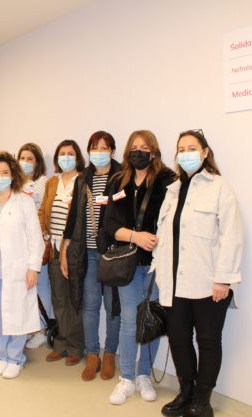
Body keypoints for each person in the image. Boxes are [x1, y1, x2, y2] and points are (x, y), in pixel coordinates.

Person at [153, 130, 243, 417]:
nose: (186, 153)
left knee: (208, 341)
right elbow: (164, 236)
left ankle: (202, 400)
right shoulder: (173, 190)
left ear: (205, 153)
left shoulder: (219, 187)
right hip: (174, 284)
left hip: (209, 283)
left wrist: (223, 279)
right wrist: (159, 273)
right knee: (178, 340)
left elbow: (232, 235)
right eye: (181, 149)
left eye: (192, 148)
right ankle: (186, 392)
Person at [103, 129, 176, 405]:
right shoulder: (118, 181)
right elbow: (109, 224)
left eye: (145, 147)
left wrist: (156, 241)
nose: (139, 152)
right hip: (127, 262)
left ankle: (144, 374)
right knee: (129, 320)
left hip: (157, 263)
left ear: (153, 152)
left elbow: (174, 221)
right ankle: (127, 378)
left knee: (151, 319)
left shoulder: (168, 180)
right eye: (134, 147)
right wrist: (135, 236)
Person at [0, 152, 44, 379]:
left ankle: (16, 358)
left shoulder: (24, 201)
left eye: (5, 172)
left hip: (17, 269)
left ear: (13, 175)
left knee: (17, 313)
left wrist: (33, 268)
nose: (1, 176)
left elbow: (35, 237)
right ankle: (3, 356)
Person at [61, 130, 122, 381]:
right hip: (86, 253)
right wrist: (65, 251)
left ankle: (110, 355)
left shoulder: (121, 177)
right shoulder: (82, 179)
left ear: (112, 151)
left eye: (104, 148)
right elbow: (73, 217)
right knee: (90, 305)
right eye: (94, 148)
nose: (99, 152)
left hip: (113, 253)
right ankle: (93, 355)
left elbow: (123, 210)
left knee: (113, 307)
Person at [38, 140, 85, 365]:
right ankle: (61, 343)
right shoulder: (52, 182)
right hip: (54, 248)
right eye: (62, 154)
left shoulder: (83, 181)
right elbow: (42, 211)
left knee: (74, 299)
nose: (66, 157)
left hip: (74, 249)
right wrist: (43, 232)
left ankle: (75, 347)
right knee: (58, 298)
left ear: (78, 158)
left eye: (70, 154)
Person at [17, 142, 50, 349]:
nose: (25, 162)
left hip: (37, 243)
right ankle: (33, 326)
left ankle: (43, 330)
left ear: (37, 162)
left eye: (30, 159)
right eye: (22, 158)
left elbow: (44, 212)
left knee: (41, 288)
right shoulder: (15, 184)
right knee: (25, 289)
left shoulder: (43, 183)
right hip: (18, 245)